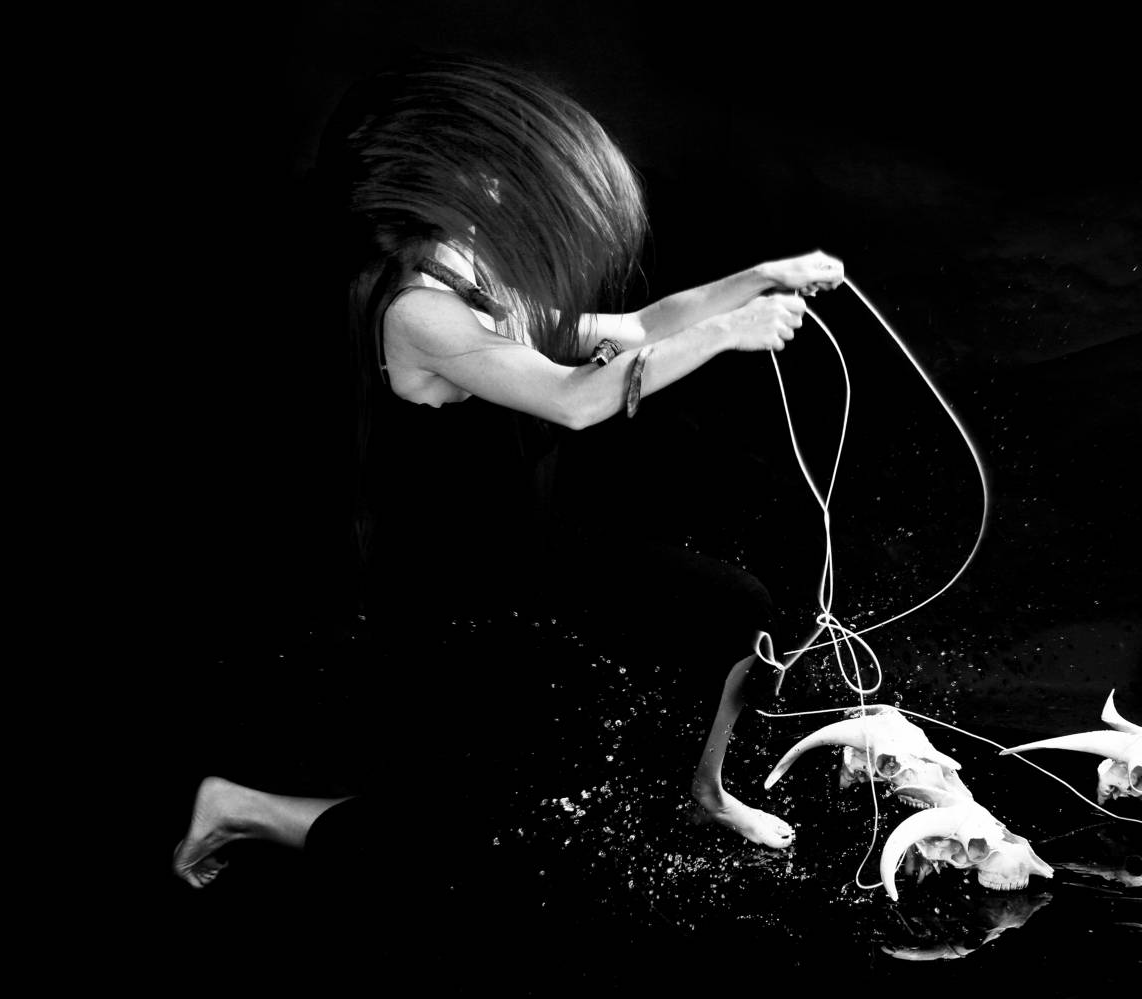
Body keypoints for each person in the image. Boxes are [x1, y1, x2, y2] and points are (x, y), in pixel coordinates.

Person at [174, 55, 843, 890]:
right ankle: (242, 805)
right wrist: (725, 333)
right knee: (488, 835)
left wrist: (758, 280)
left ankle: (704, 792)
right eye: (482, 171)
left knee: (733, 606)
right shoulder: (416, 310)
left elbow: (633, 327)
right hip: (448, 591)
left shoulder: (474, 279)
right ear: (432, 185)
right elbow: (574, 399)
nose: (501, 185)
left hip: (529, 556)